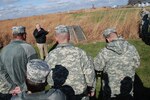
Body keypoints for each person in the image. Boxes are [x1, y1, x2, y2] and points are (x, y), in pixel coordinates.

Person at [45, 25, 95, 100]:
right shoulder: (80, 52)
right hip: (79, 94)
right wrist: (91, 88)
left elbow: (47, 75)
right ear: (69, 37)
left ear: (56, 38)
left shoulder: (50, 55)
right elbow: (89, 72)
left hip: (59, 95)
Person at [94, 28, 140, 100]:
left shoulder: (105, 51)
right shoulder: (131, 48)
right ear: (117, 35)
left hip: (111, 90)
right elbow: (137, 64)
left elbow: (97, 67)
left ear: (107, 39)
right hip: (127, 87)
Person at [0, 26, 38, 94]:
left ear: (13, 35)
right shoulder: (29, 48)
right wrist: (23, 88)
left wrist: (12, 87)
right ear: (24, 35)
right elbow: (35, 71)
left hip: (12, 91)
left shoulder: (3, 50)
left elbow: (2, 71)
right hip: (27, 91)